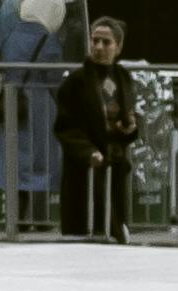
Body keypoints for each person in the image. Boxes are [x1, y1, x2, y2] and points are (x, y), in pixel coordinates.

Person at [52, 17, 141, 241]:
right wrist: (87, 151)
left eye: (106, 42)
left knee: (114, 229)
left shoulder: (122, 77)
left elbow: (126, 116)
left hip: (115, 165)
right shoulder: (76, 81)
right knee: (87, 231)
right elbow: (65, 126)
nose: (99, 47)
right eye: (95, 41)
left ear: (118, 47)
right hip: (86, 169)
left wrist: (128, 129)